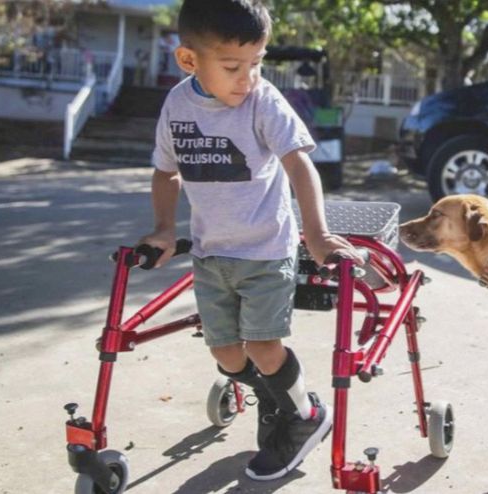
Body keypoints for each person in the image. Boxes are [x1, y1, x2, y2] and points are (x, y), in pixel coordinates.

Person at [138, 0, 363, 481]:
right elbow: (165, 172)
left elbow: (300, 164)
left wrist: (317, 234)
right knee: (226, 354)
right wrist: (162, 227)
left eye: (257, 63)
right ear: (189, 60)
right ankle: (273, 397)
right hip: (210, 253)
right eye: (233, 66)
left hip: (265, 250)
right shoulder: (177, 104)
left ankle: (305, 415)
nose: (248, 78)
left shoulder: (264, 101)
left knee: (264, 346)